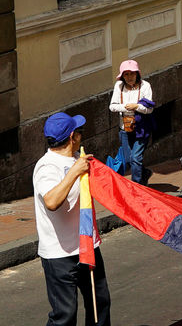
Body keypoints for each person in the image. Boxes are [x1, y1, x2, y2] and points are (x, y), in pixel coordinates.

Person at [34, 112, 111, 325]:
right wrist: (74, 172)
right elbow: (51, 201)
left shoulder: (78, 158)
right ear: (71, 137)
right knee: (65, 315)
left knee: (100, 304)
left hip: (87, 245)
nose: (81, 136)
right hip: (60, 255)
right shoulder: (46, 166)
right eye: (79, 132)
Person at [108, 59, 154, 185]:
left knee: (136, 158)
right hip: (125, 128)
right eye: (126, 74)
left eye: (132, 73)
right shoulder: (119, 86)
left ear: (137, 74)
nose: (129, 77)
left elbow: (149, 109)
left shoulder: (145, 86)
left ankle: (137, 186)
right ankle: (144, 173)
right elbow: (112, 106)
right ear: (122, 76)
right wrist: (127, 106)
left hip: (142, 128)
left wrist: (136, 106)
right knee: (128, 160)